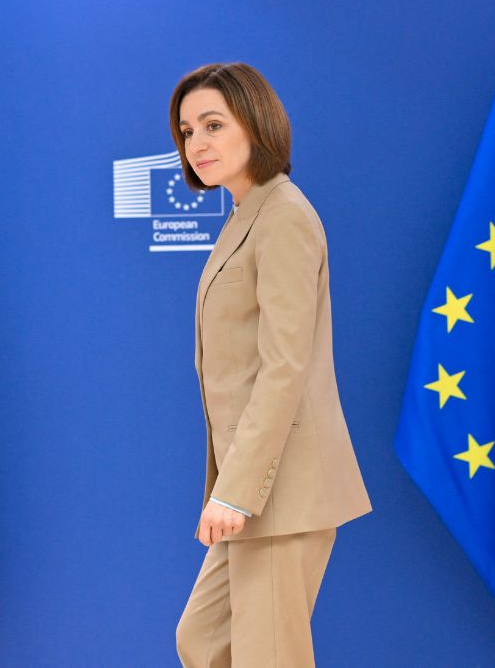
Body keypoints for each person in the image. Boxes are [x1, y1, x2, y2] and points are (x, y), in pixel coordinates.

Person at [171, 63, 372, 667]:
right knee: (205, 642)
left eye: (213, 124)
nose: (196, 144)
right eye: (186, 131)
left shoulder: (283, 215)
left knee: (268, 657)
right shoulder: (246, 213)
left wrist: (234, 493)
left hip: (281, 488)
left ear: (255, 125)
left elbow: (286, 366)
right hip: (256, 485)